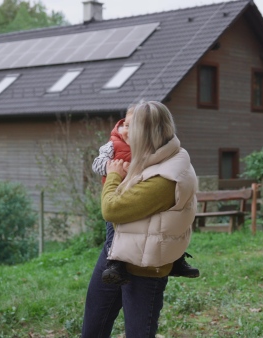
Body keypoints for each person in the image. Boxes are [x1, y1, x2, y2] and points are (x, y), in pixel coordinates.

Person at [82, 101, 198, 337]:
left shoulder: (166, 176)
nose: (124, 131)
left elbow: (112, 209)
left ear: (147, 133)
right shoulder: (152, 157)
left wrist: (113, 176)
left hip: (145, 266)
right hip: (117, 252)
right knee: (93, 330)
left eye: (131, 127)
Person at [91, 108, 199, 285]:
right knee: (112, 234)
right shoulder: (113, 144)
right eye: (126, 125)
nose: (128, 131)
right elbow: (97, 164)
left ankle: (178, 259)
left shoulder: (154, 153)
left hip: (140, 216)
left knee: (170, 230)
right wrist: (115, 170)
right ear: (120, 125)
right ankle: (114, 264)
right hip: (117, 190)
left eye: (134, 127)